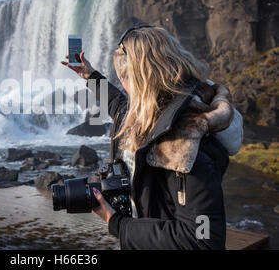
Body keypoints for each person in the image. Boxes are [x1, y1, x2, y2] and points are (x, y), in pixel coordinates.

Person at [61, 25, 243, 250]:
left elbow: (203, 241)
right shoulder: (155, 111)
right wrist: (90, 76)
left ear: (139, 81)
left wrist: (118, 224)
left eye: (124, 80)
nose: (124, 88)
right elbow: (118, 105)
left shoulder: (186, 142)